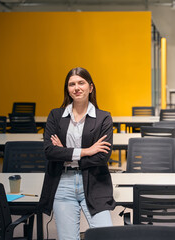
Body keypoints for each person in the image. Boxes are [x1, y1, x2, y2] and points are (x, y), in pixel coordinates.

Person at [38, 67, 116, 240]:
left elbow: (103, 156)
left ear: (91, 87)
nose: (77, 87)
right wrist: (87, 151)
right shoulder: (56, 116)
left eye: (81, 83)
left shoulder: (103, 117)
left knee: (105, 236)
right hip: (62, 183)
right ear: (67, 89)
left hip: (95, 181)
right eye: (72, 84)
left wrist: (65, 153)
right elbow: (49, 151)